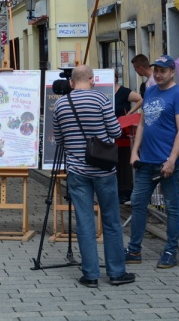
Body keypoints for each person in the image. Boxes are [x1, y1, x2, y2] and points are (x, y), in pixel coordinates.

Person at [51, 65, 135, 288]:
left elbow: (59, 139)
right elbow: (116, 133)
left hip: (77, 171)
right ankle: (116, 273)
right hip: (104, 170)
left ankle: (90, 275)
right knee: (111, 221)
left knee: (84, 222)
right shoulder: (101, 100)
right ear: (92, 79)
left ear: (71, 82)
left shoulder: (60, 104)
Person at [126, 55, 179, 269]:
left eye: (163, 70)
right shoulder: (151, 91)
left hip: (167, 163)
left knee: (172, 207)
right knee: (137, 203)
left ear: (172, 72)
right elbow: (143, 123)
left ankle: (171, 250)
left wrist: (172, 160)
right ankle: (134, 249)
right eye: (156, 70)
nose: (158, 74)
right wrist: (135, 152)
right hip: (146, 160)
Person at [113, 70, 143, 204]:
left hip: (123, 133)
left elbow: (140, 99)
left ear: (116, 77)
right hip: (109, 133)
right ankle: (117, 190)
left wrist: (130, 113)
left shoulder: (124, 91)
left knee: (124, 162)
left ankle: (125, 191)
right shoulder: (103, 90)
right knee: (113, 162)